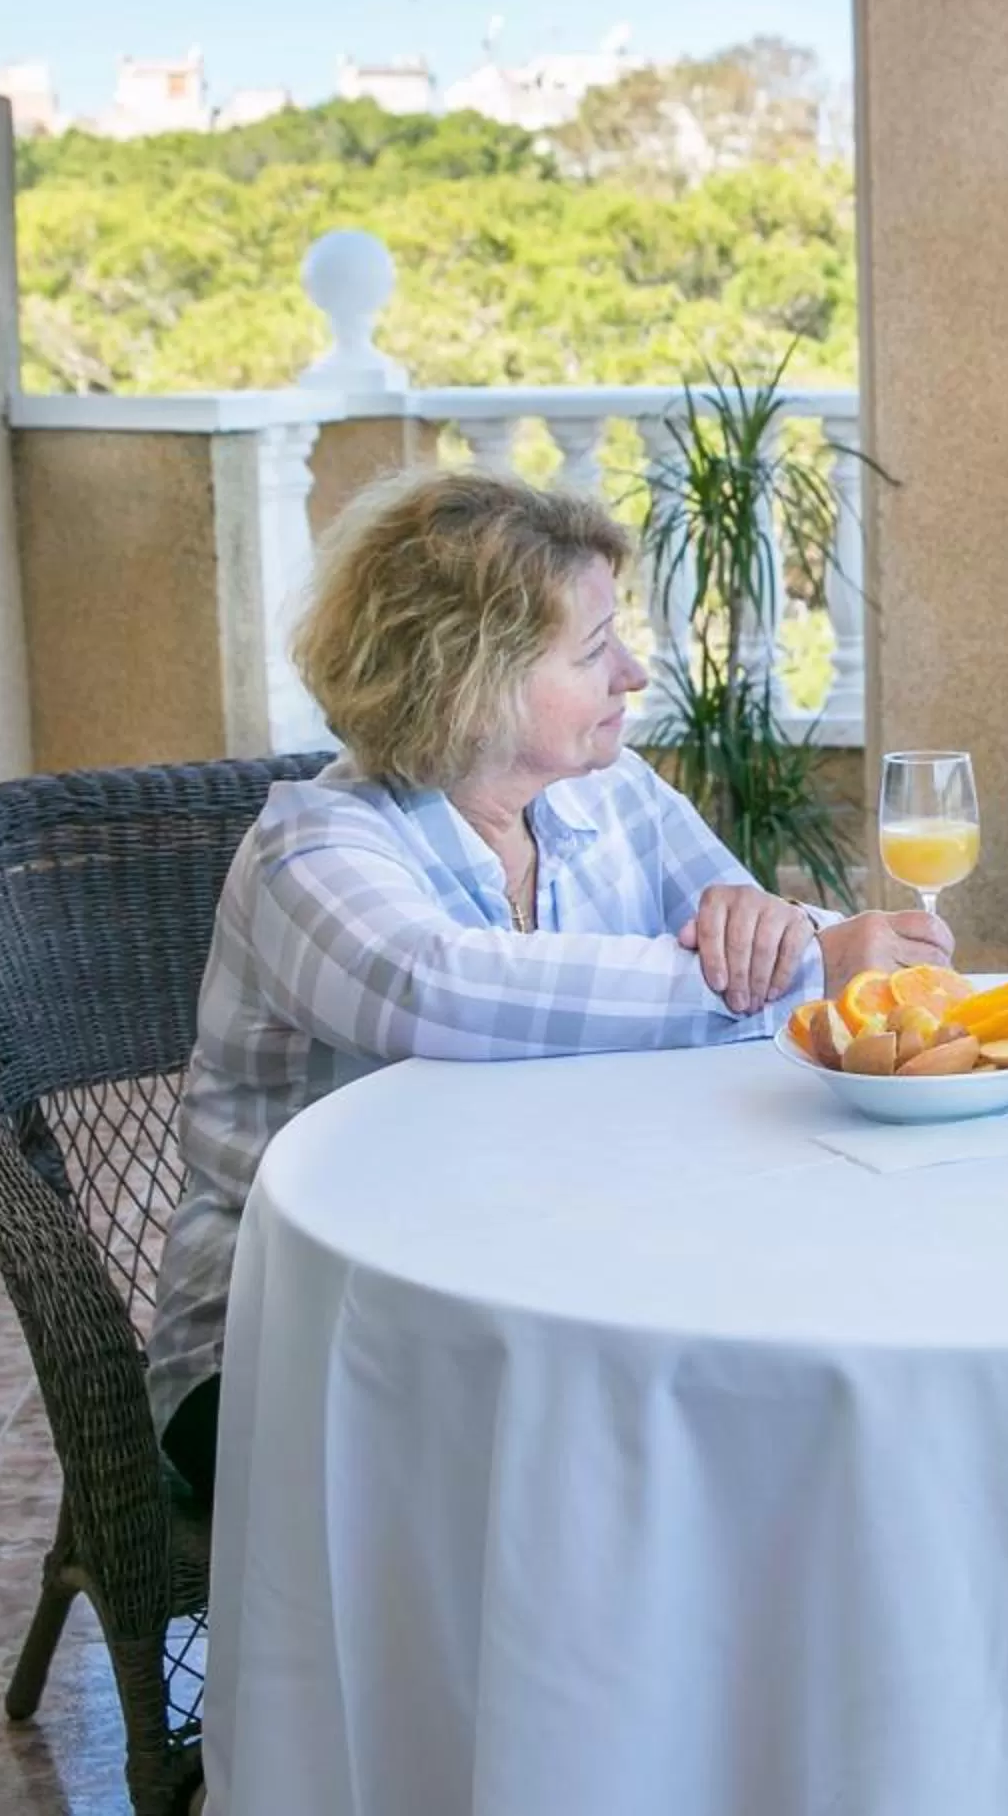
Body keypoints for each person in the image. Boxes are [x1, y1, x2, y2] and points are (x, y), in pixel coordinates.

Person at [147, 469, 948, 1500]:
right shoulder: (310, 850)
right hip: (297, 1342)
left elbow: (755, 962)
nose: (633, 673)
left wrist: (801, 934)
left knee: (781, 1408)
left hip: (546, 1286)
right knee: (648, 1464)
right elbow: (438, 988)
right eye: (593, 648)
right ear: (471, 680)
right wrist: (805, 965)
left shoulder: (614, 797)